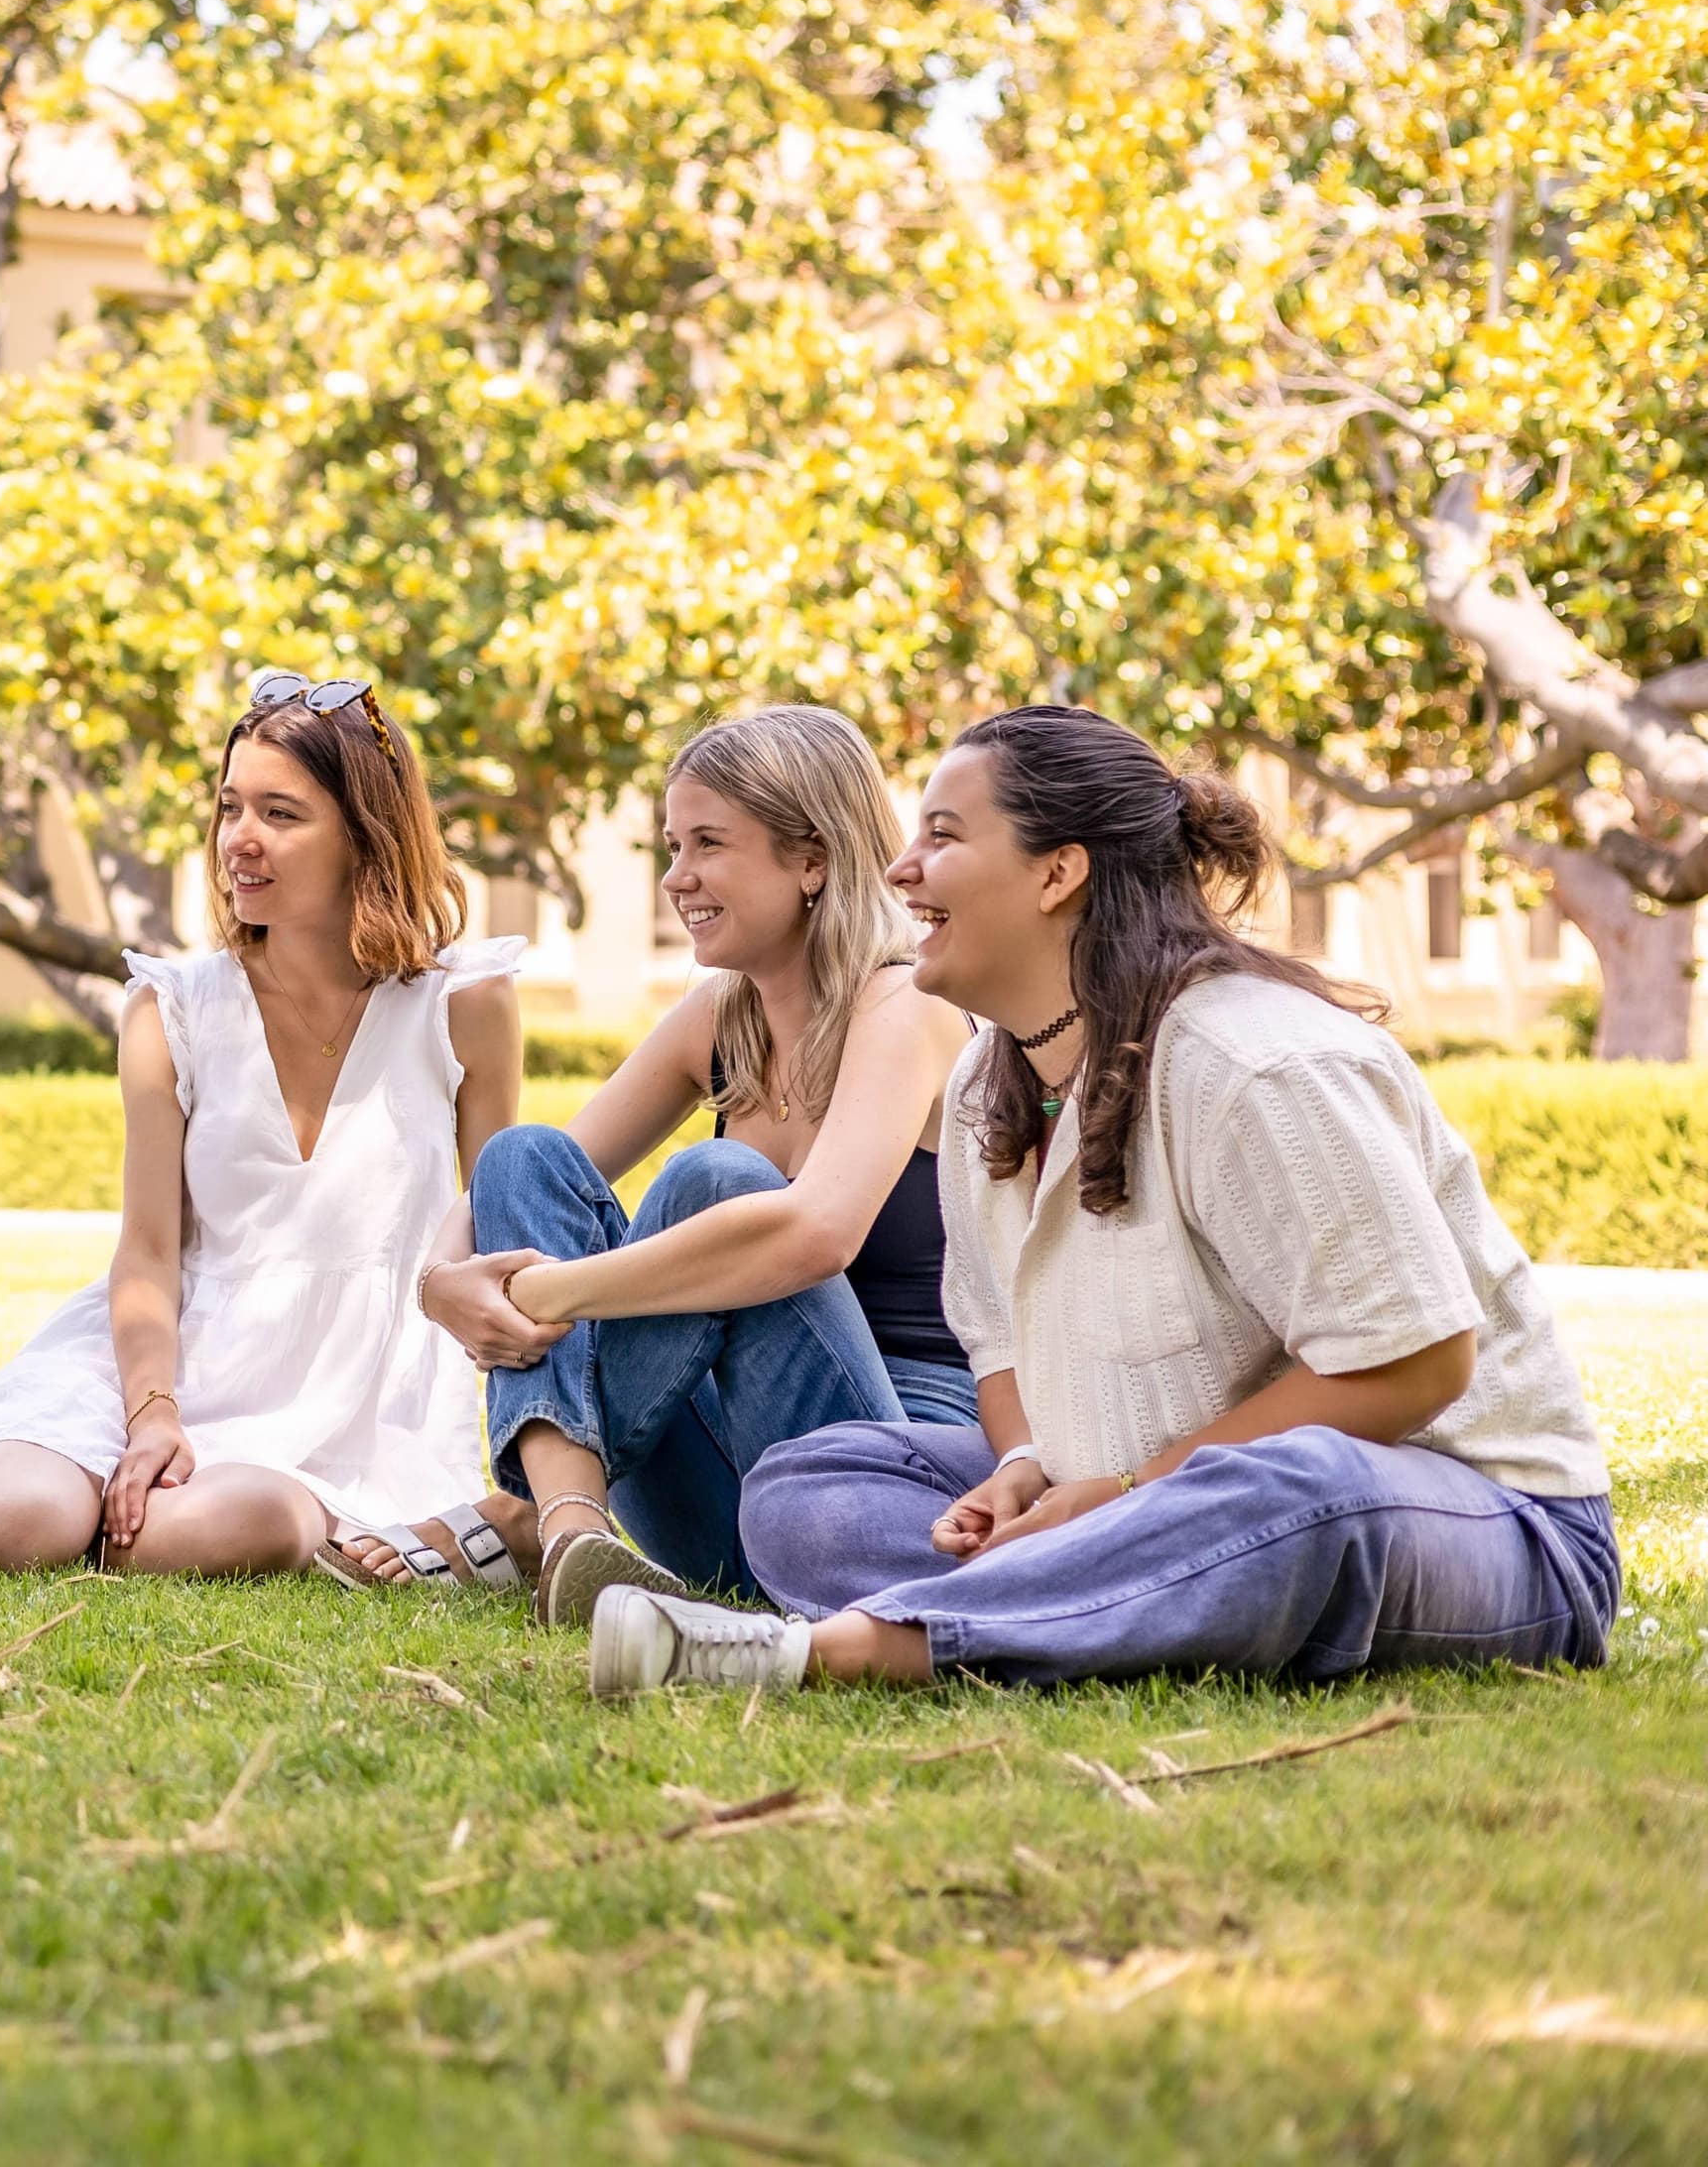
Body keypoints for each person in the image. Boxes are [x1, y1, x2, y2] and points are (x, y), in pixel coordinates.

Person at [587, 705, 1620, 1699]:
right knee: (813, 1491)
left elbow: (1417, 1361)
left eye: (943, 836)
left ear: (1058, 871)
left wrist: (1137, 1495)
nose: (899, 869)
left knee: (1291, 1498)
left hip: (1469, 1514)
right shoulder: (990, 1079)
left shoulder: (1251, 1061)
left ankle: (842, 1650)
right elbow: (994, 1348)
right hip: (1125, 1489)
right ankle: (1102, 1598)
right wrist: (1032, 1466)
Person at [0, 671, 525, 1580]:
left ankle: (26, 1512)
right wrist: (153, 1412)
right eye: (231, 808)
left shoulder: (465, 1004)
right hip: (162, 1368)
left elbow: (495, 1235)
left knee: (267, 1519)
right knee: (13, 1525)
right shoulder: (175, 1008)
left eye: (282, 814)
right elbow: (148, 1251)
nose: (242, 840)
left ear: (366, 835)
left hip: (354, 1408)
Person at [396, 707, 972, 1621]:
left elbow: (816, 1233)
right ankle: (572, 1525)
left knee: (720, 1185)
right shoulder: (721, 1016)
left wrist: (555, 1294)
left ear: (812, 858)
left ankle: (521, 1516)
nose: (678, 878)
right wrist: (440, 1281)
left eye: (708, 844)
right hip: (725, 1504)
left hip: (877, 1489)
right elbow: (521, 1186)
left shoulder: (906, 1006)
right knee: (521, 1154)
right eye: (672, 846)